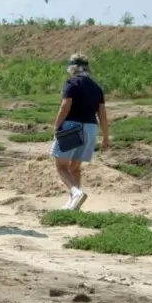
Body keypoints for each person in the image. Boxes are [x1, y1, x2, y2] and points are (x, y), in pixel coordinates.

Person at [51, 52, 110, 211]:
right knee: (75, 167)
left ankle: (76, 192)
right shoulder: (96, 87)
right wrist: (105, 136)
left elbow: (65, 105)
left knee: (61, 166)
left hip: (72, 126)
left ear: (72, 68)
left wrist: (57, 126)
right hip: (91, 127)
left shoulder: (72, 82)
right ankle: (73, 204)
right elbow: (102, 114)